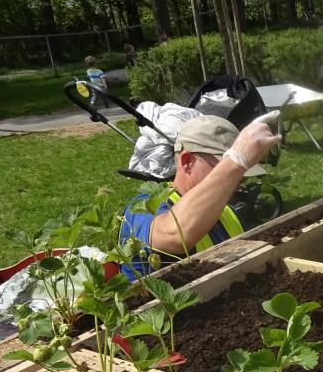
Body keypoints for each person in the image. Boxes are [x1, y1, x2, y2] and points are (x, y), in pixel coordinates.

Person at [119, 113, 280, 279]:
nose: (237, 180)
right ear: (188, 162)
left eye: (243, 175)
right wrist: (235, 162)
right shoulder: (144, 206)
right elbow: (174, 236)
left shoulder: (227, 208)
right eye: (221, 168)